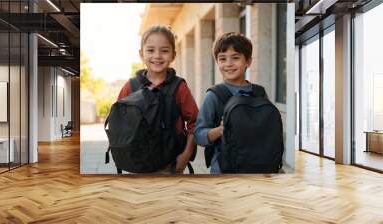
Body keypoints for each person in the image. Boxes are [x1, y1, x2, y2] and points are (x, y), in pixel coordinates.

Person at [117, 25, 198, 174]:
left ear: (173, 55)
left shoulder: (179, 87)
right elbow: (119, 125)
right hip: (138, 166)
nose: (157, 56)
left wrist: (185, 156)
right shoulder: (131, 86)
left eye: (164, 50)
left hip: (171, 166)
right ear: (141, 54)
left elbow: (195, 123)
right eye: (150, 50)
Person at [194, 32, 277, 174]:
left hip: (259, 167)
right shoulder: (214, 96)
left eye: (235, 58)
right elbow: (199, 136)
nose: (228, 64)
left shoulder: (259, 93)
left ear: (248, 62)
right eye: (222, 59)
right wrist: (220, 130)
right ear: (217, 62)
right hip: (224, 169)